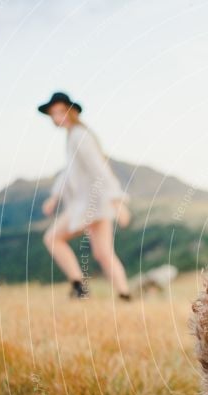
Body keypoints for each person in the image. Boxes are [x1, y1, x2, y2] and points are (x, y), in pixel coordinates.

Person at [37, 91, 132, 301]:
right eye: (53, 113)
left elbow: (99, 168)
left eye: (60, 111)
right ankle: (125, 294)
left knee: (52, 238)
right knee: (103, 253)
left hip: (89, 204)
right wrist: (55, 196)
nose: (56, 117)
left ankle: (79, 287)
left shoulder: (80, 136)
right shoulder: (74, 135)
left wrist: (117, 200)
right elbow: (70, 172)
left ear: (71, 112)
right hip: (96, 204)